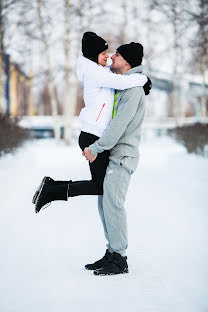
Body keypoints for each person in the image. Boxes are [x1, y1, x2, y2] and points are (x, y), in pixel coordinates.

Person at [33, 32, 148, 212]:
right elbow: (120, 80)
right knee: (101, 186)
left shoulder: (99, 69)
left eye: (110, 54)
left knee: (100, 185)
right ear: (95, 56)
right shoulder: (95, 73)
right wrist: (143, 80)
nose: (108, 57)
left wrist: (140, 79)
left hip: (93, 134)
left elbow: (120, 68)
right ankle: (51, 191)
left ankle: (51, 187)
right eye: (104, 54)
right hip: (92, 136)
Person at [82, 42, 150, 276]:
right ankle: (112, 252)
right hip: (115, 154)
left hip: (123, 155)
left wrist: (96, 147)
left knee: (114, 205)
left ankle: (120, 259)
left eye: (117, 55)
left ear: (127, 62)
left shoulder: (133, 91)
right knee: (104, 203)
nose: (112, 58)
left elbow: (118, 126)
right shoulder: (123, 86)